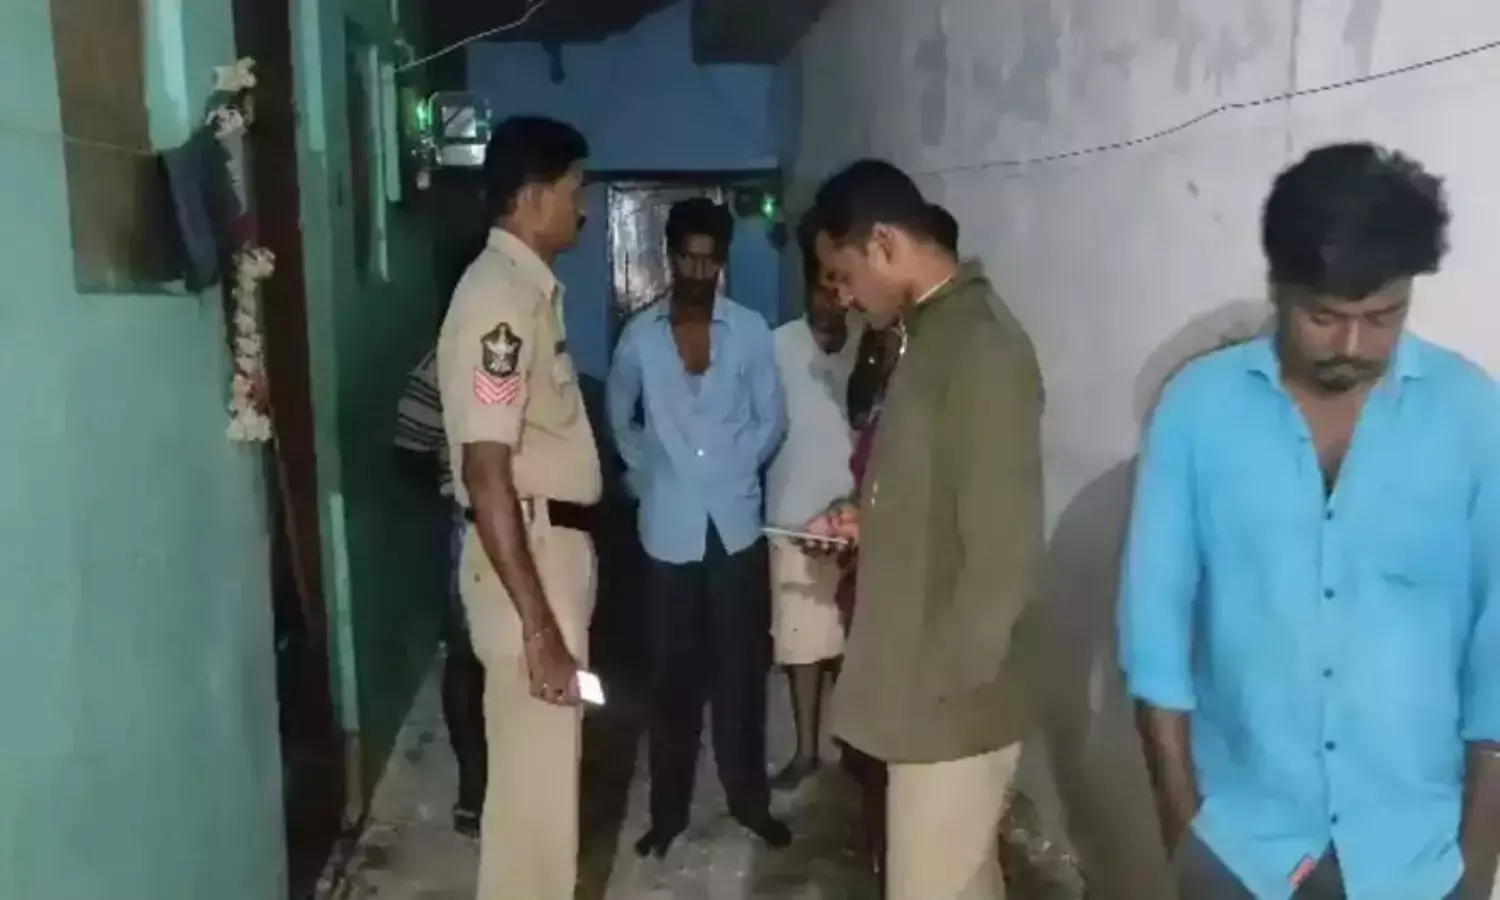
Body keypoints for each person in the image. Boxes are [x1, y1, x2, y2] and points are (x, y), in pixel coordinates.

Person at [1119, 141, 1500, 900]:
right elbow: (1154, 629)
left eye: (1383, 317)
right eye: (1324, 317)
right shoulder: (1198, 409)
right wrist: (1183, 827)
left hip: (1418, 856)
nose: (1352, 347)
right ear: (1278, 287)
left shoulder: (1472, 414)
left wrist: (1479, 860)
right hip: (1241, 849)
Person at [807, 160, 1047, 900]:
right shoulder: (929, 335)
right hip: (926, 693)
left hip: (949, 708)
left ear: (883, 243)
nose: (845, 298)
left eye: (846, 275)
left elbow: (1004, 550)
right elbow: (937, 492)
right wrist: (866, 520)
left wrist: (945, 687)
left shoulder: (980, 346)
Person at [435, 115, 600, 899]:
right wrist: (540, 629)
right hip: (527, 560)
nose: (583, 208)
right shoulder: (499, 302)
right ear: (533, 199)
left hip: (546, 553)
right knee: (533, 808)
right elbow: (486, 469)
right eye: (575, 190)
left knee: (543, 793)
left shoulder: (526, 292)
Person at [606, 196, 791, 857]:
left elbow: (771, 419)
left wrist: (737, 467)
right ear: (670, 257)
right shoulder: (639, 338)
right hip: (667, 531)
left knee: (741, 674)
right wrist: (648, 475)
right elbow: (619, 417)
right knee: (670, 679)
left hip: (735, 529)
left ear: (723, 263)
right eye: (687, 258)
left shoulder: (750, 332)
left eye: (709, 261)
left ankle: (749, 801)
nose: (698, 272)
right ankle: (668, 813)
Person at [764, 209, 865, 791]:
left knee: (852, 644)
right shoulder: (778, 348)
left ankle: (852, 747)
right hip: (794, 521)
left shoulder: (866, 349)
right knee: (802, 647)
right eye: (822, 289)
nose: (832, 302)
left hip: (855, 522)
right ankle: (806, 752)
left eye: (838, 288)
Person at [393, 345, 486, 837]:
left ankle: (516, 780)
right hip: (473, 525)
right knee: (467, 654)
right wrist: (458, 480)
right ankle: (475, 783)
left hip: (537, 522)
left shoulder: (539, 340)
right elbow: (407, 449)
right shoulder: (442, 362)